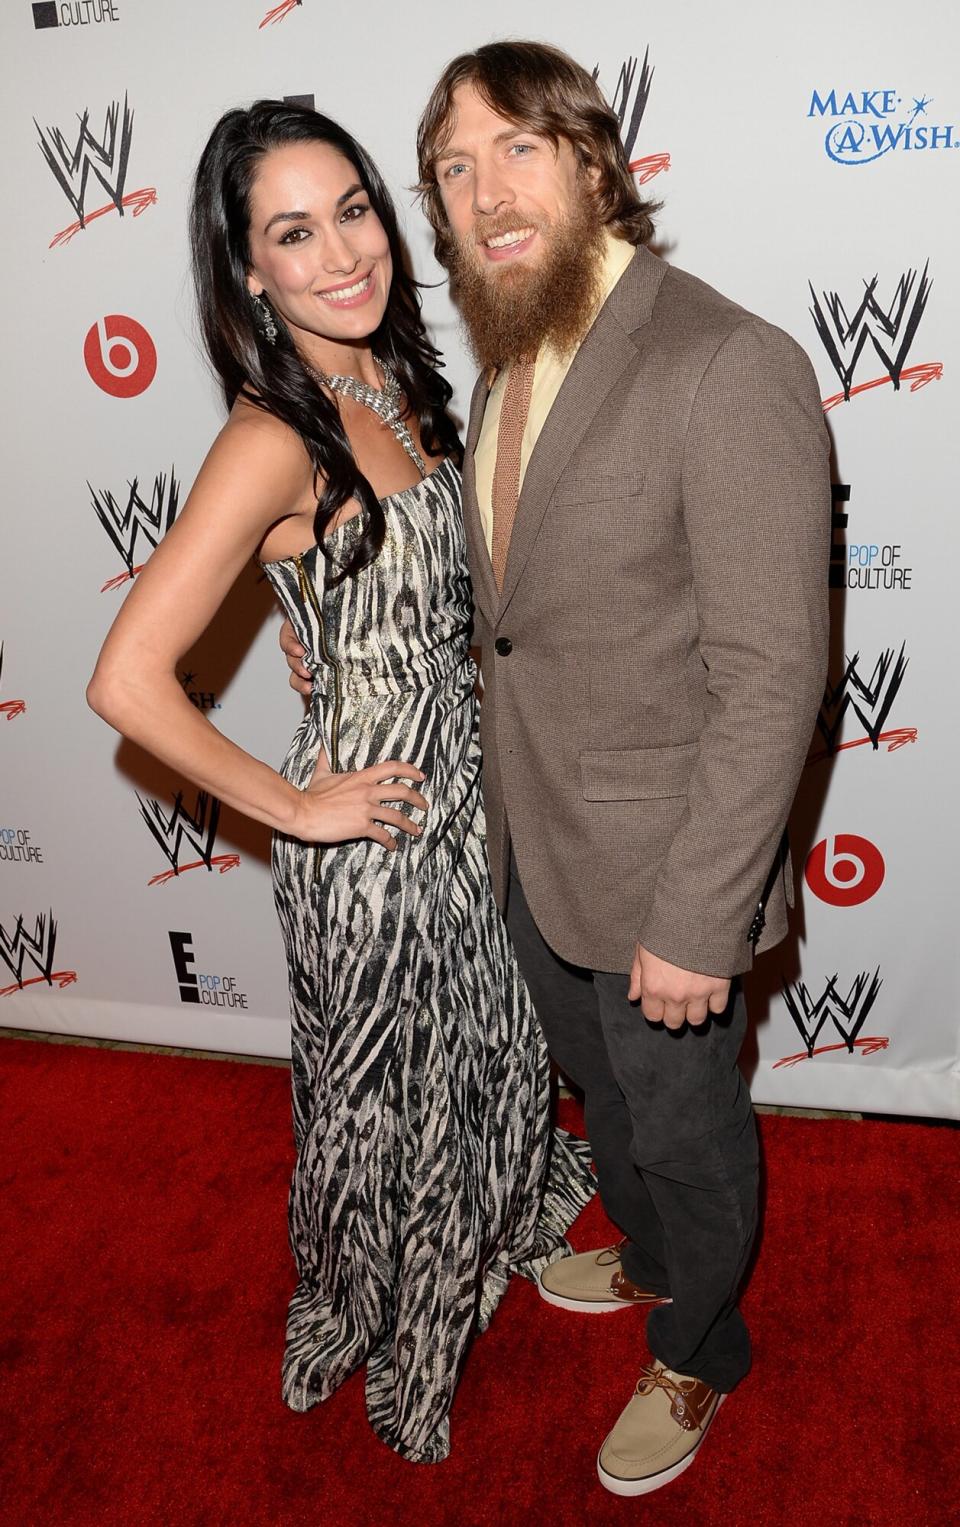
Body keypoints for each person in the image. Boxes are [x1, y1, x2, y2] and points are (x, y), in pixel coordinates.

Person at [280, 40, 832, 1497]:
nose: (481, 192)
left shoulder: (726, 361)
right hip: (536, 854)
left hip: (666, 881)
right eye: (453, 171)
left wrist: (701, 921)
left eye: (514, 149)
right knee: (609, 1100)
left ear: (595, 160)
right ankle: (653, 1263)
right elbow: (522, 621)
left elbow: (775, 676)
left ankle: (704, 1347)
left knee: (686, 1121)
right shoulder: (515, 355)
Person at [87, 99, 593, 1465]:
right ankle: (386, 1312)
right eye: (292, 234)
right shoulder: (273, 438)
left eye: (354, 210)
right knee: (387, 1097)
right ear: (247, 271)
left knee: (485, 1061)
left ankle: (477, 1236)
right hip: (377, 847)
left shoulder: (402, 382)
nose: (340, 253)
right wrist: (300, 802)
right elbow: (127, 678)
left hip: (472, 810)